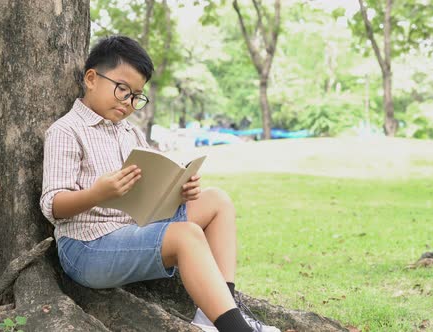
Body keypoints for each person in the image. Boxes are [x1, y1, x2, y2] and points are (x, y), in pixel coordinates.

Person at [40, 35, 280, 332]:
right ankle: (236, 329)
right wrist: (97, 193)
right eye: (122, 89)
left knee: (217, 200)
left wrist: (182, 189)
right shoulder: (66, 131)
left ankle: (216, 315)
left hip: (133, 229)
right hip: (87, 247)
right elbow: (53, 206)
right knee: (186, 235)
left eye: (136, 96)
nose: (128, 103)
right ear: (91, 78)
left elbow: (156, 182)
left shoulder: (129, 132)